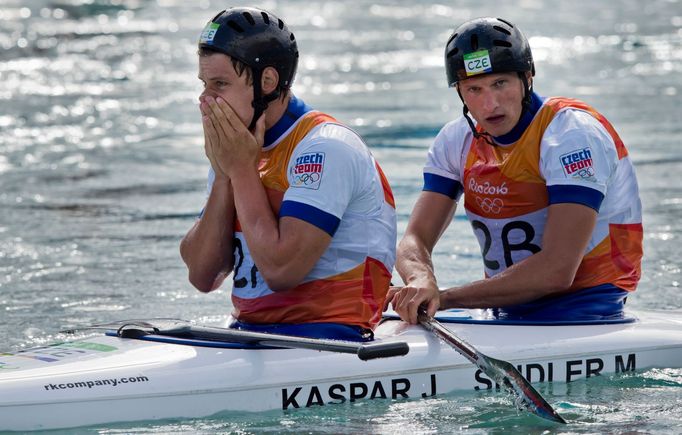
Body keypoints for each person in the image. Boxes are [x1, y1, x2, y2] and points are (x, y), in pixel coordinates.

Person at [386, 17, 643, 324]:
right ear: (460, 93)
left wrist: (445, 297)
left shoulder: (571, 135)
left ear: (528, 76)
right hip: (505, 309)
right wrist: (420, 281)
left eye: (500, 83)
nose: (490, 103)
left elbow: (557, 271)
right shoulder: (457, 139)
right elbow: (414, 239)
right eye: (474, 89)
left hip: (587, 307)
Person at [179, 7, 397, 341]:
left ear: (267, 82)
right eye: (204, 84)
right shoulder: (239, 147)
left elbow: (282, 271)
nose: (205, 100)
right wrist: (225, 175)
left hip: (332, 338)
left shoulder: (325, 148)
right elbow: (202, 276)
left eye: (220, 84)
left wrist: (240, 170)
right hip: (252, 333)